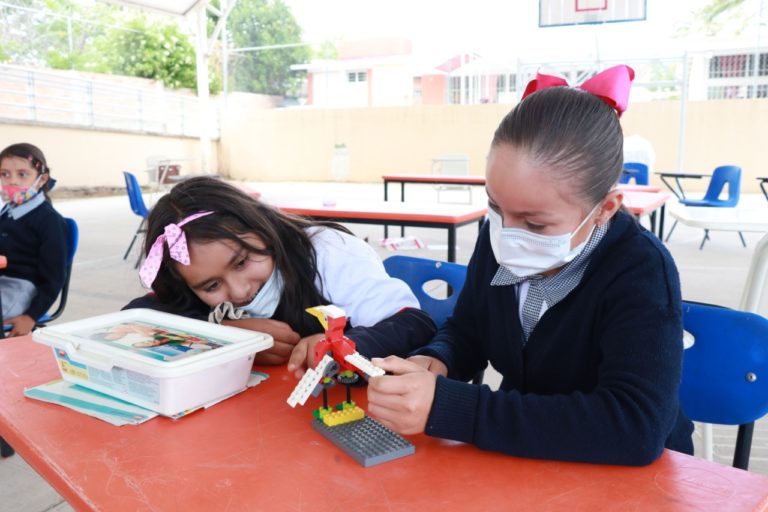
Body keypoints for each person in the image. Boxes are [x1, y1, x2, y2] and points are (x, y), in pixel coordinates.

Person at [366, 65, 694, 466]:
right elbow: (470, 328)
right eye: (495, 207)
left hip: (627, 478)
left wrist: (454, 408)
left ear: (604, 209)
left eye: (535, 223)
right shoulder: (499, 236)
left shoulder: (639, 271)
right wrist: (439, 359)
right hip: (527, 457)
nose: (508, 232)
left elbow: (635, 427)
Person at [124, 176, 435, 369]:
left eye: (242, 262)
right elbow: (133, 322)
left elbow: (412, 323)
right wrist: (224, 336)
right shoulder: (187, 282)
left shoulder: (327, 253)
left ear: (261, 226)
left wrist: (343, 345)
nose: (239, 291)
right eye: (211, 285)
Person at [0, 143, 68, 336]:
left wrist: (31, 316)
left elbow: (54, 278)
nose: (11, 181)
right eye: (4, 174)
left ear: (41, 179)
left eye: (22, 174)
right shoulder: (7, 212)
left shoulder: (50, 222)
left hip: (21, 289)